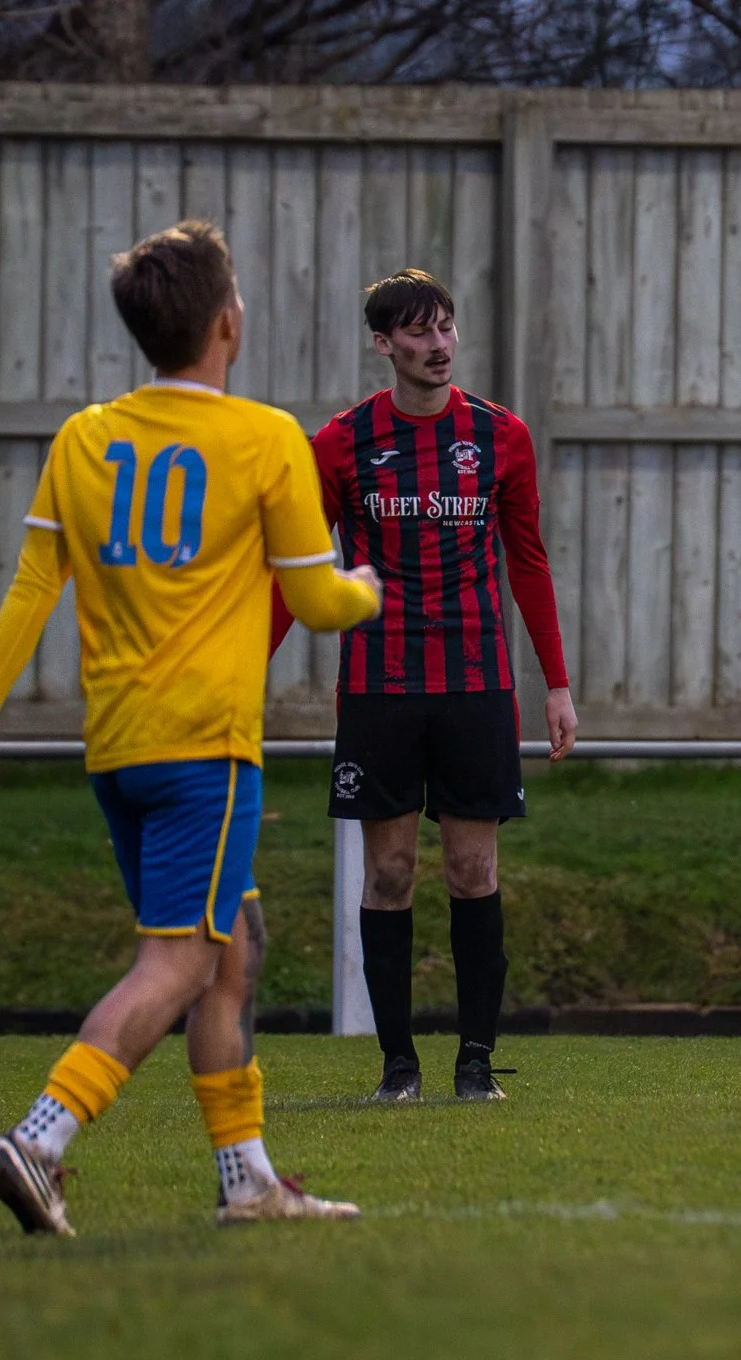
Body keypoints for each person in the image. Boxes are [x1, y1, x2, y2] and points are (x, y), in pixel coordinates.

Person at [0, 221, 383, 1235]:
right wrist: (366, 589)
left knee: (233, 951)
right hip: (206, 754)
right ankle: (40, 1140)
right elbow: (313, 602)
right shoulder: (263, 437)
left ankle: (247, 1181)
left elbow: (31, 589)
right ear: (229, 322)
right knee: (178, 963)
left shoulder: (83, 438)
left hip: (121, 752)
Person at [270, 268, 575, 1104]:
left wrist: (556, 683)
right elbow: (294, 570)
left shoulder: (500, 435)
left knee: (474, 868)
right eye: (418, 333)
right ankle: (398, 1069)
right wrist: (242, 666)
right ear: (383, 345)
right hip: (380, 685)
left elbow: (529, 560)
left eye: (445, 328)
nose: (438, 345)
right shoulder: (339, 444)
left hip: (477, 683)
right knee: (392, 873)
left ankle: (475, 1066)